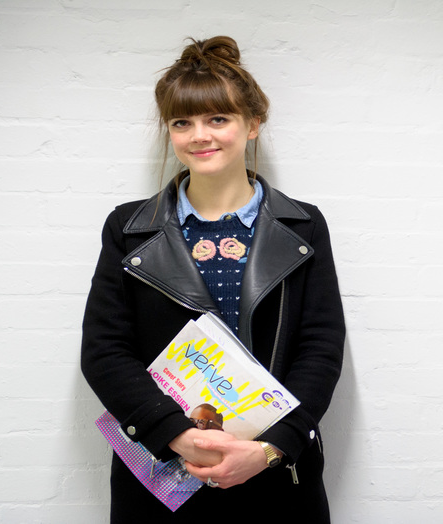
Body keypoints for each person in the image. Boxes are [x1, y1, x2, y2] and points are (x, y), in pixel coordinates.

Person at [81, 36, 345, 523]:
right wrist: (177, 435)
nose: (199, 135)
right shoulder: (127, 228)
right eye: (183, 122)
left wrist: (268, 449)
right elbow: (105, 350)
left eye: (217, 119)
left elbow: (321, 347)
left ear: (253, 125)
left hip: (275, 473)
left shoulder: (304, 226)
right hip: (163, 472)